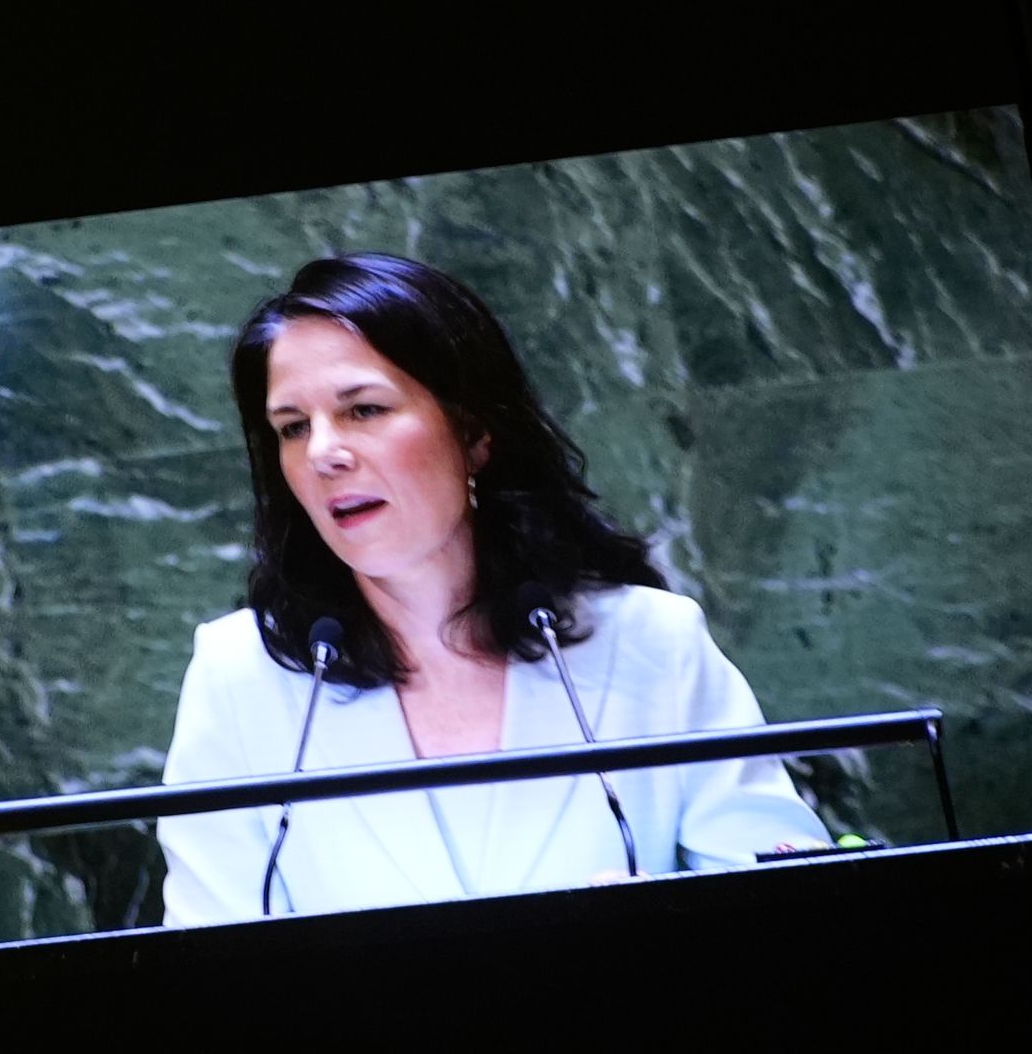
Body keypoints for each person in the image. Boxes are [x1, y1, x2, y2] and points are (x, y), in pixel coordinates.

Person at [158, 252, 827, 924]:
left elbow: (786, 901)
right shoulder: (240, 675)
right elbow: (203, 954)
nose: (324, 452)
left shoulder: (651, 641)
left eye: (363, 409)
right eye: (293, 428)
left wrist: (659, 925)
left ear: (474, 433)